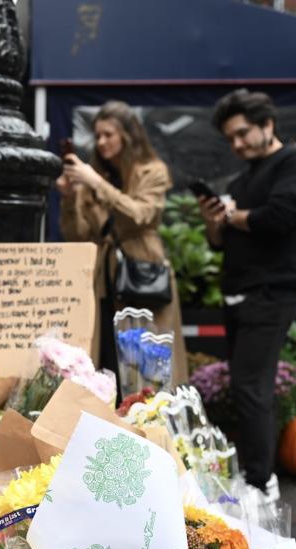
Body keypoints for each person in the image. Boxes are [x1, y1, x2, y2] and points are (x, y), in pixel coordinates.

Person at [198, 89, 296, 497]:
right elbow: (220, 242)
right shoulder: (241, 179)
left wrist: (233, 215)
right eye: (230, 138)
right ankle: (255, 475)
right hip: (238, 290)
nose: (236, 144)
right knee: (245, 383)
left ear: (267, 125)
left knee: (251, 385)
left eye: (242, 133)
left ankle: (260, 482)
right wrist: (214, 221)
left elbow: (278, 218)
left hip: (274, 289)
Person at [55, 100, 188, 386]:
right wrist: (68, 198)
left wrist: (97, 185)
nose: (101, 142)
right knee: (107, 359)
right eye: (97, 135)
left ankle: (150, 427)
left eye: (108, 134)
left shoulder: (152, 171)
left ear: (128, 135)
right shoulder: (94, 177)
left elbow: (140, 215)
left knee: (147, 367)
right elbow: (77, 235)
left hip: (142, 274)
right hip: (104, 280)